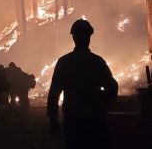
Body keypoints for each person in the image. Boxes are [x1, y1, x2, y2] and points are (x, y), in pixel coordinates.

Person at [47, 19, 118, 149]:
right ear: (89, 37)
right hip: (94, 119)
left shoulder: (64, 62)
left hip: (73, 119)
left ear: (73, 37)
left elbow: (54, 92)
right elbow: (112, 87)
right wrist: (103, 104)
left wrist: (53, 119)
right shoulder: (97, 62)